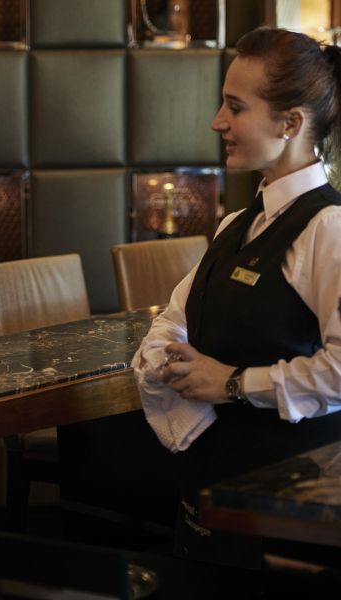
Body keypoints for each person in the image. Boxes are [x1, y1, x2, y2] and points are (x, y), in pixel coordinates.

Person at [134, 26, 341, 570]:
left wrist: (233, 383)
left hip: (287, 505)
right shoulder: (236, 225)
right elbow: (173, 318)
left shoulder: (329, 230)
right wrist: (164, 358)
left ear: (289, 123)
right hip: (210, 484)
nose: (217, 122)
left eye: (235, 107)